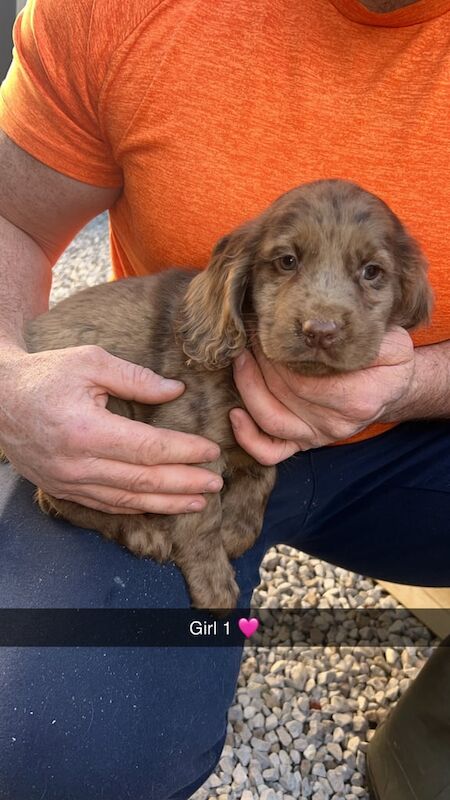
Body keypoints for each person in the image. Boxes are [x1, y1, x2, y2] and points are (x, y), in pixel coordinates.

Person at [0, 0, 449, 797]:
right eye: (285, 264)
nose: (321, 315)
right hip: (163, 432)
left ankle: (423, 754)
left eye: (371, 276)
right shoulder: (117, 12)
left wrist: (415, 383)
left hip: (417, 433)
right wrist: (6, 384)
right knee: (54, 750)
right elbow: (9, 213)